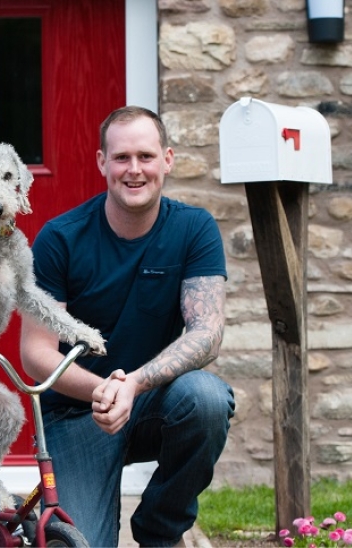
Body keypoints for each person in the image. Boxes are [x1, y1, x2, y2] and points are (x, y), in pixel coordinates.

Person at [20, 106, 235, 548]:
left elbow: (207, 333)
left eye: (146, 156)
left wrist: (133, 385)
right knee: (80, 544)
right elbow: (36, 353)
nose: (134, 169)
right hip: (77, 411)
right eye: (121, 157)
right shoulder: (60, 238)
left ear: (167, 160)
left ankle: (159, 530)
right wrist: (104, 391)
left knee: (208, 399)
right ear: (102, 163)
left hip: (154, 402)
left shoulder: (194, 229)